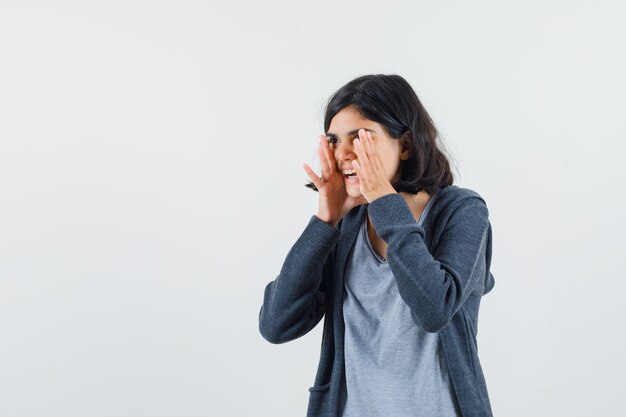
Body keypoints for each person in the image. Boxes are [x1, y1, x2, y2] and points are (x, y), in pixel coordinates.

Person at [258, 74, 496, 417]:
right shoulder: (347, 225)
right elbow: (276, 325)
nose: (343, 153)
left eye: (360, 137)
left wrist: (384, 200)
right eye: (334, 140)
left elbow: (434, 309)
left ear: (405, 145)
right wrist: (325, 222)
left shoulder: (462, 212)